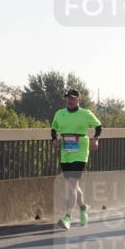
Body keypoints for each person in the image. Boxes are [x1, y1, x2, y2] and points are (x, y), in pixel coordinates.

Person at [51, 89, 101, 229]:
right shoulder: (59, 113)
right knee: (74, 186)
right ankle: (84, 208)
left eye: (72, 98)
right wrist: (54, 139)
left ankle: (67, 217)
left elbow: (98, 126)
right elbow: (54, 128)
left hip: (80, 151)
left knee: (71, 184)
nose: (69, 100)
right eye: (67, 98)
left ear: (79, 99)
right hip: (66, 151)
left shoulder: (86, 114)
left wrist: (95, 139)